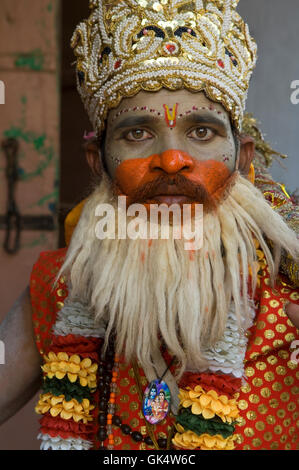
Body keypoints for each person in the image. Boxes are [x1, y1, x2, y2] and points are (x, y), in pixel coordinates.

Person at [0, 0, 299, 451]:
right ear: (98, 163)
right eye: (137, 133)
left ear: (242, 158)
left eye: (202, 132)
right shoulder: (60, 286)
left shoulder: (289, 287)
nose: (172, 161)